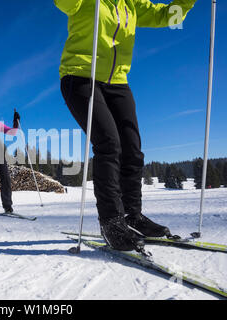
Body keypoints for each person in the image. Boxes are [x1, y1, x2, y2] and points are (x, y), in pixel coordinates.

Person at [55, 0, 197, 251]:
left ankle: (133, 216)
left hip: (117, 82)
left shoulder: (132, 5)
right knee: (109, 143)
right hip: (80, 77)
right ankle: (111, 221)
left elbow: (170, 16)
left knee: (132, 148)